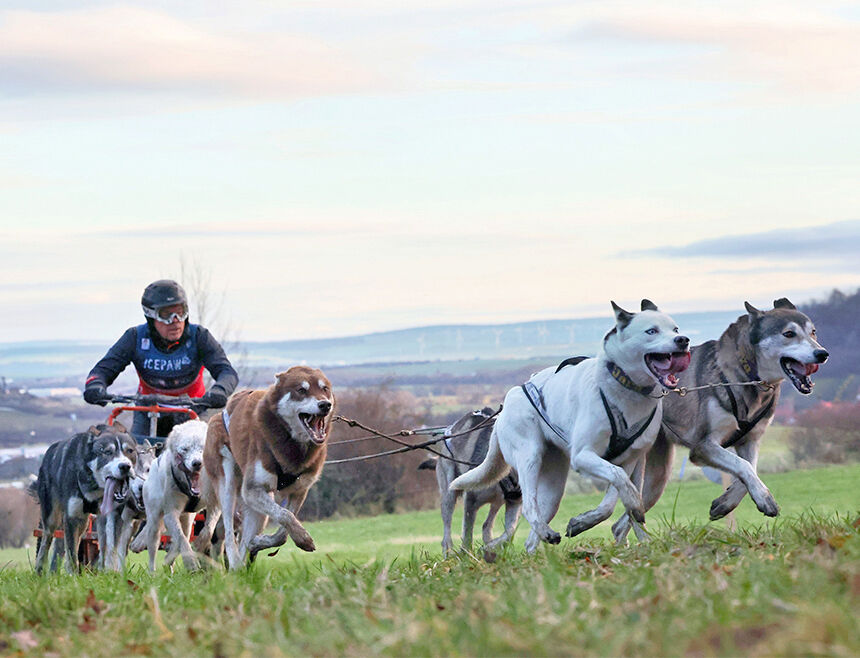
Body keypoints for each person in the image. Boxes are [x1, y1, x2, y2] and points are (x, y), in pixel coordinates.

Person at [83, 280, 238, 441]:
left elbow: (227, 372)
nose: (176, 320)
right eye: (166, 315)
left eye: (180, 312)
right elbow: (102, 370)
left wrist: (219, 391)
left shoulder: (199, 336)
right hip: (148, 409)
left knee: (199, 457)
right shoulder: (135, 337)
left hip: (192, 410)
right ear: (151, 317)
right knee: (136, 455)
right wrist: (95, 385)